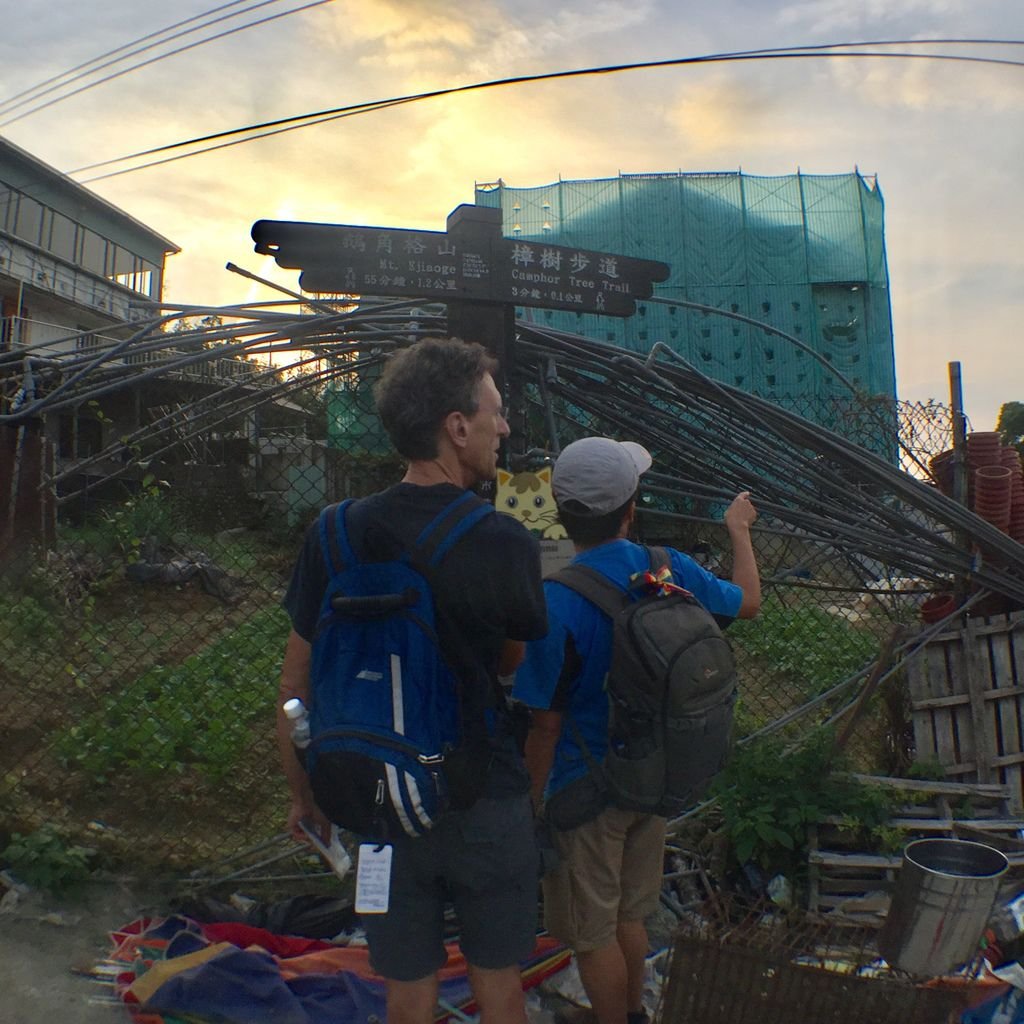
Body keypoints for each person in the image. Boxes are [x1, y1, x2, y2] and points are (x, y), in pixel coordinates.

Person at [277, 337, 547, 1024]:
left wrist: (304, 792)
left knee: (406, 990)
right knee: (496, 981)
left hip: (373, 796)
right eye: (495, 411)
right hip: (481, 792)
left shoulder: (333, 533)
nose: (504, 427)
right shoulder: (506, 541)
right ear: (457, 427)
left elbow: (295, 681)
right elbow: (511, 662)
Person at [513, 436, 761, 1024]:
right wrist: (740, 530)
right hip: (652, 779)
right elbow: (748, 602)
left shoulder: (554, 603)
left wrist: (531, 806)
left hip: (583, 793)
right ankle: (633, 1014)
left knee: (591, 934)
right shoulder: (666, 567)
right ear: (631, 507)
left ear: (558, 508)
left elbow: (544, 725)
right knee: (630, 919)